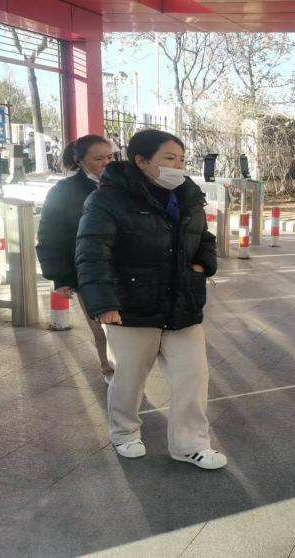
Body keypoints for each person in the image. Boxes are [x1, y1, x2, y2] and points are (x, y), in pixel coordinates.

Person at [75, 129, 226, 470]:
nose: (178, 166)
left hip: (182, 303)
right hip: (132, 304)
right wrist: (104, 303)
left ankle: (190, 444)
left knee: (193, 376)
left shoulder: (188, 195)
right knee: (128, 377)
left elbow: (203, 237)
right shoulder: (109, 199)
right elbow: (92, 252)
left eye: (182, 159)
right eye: (169, 159)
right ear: (141, 161)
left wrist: (203, 265)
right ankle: (124, 433)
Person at [36, 134, 114, 382]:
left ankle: (127, 373)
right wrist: (60, 278)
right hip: (87, 273)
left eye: (110, 157)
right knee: (102, 327)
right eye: (98, 159)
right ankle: (109, 370)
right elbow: (51, 236)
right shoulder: (64, 191)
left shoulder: (124, 185)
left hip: (123, 269)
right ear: (79, 161)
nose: (106, 163)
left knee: (124, 330)